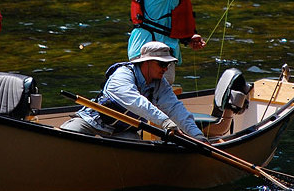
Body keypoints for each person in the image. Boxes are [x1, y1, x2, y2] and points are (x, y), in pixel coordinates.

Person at [61, 41, 207, 141]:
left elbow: (176, 109)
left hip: (123, 132)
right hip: (92, 123)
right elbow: (137, 102)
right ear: (146, 62)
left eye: (168, 64)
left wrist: (198, 136)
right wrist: (165, 122)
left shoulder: (160, 84)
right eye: (162, 63)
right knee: (67, 135)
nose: (166, 68)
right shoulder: (122, 75)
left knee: (138, 148)